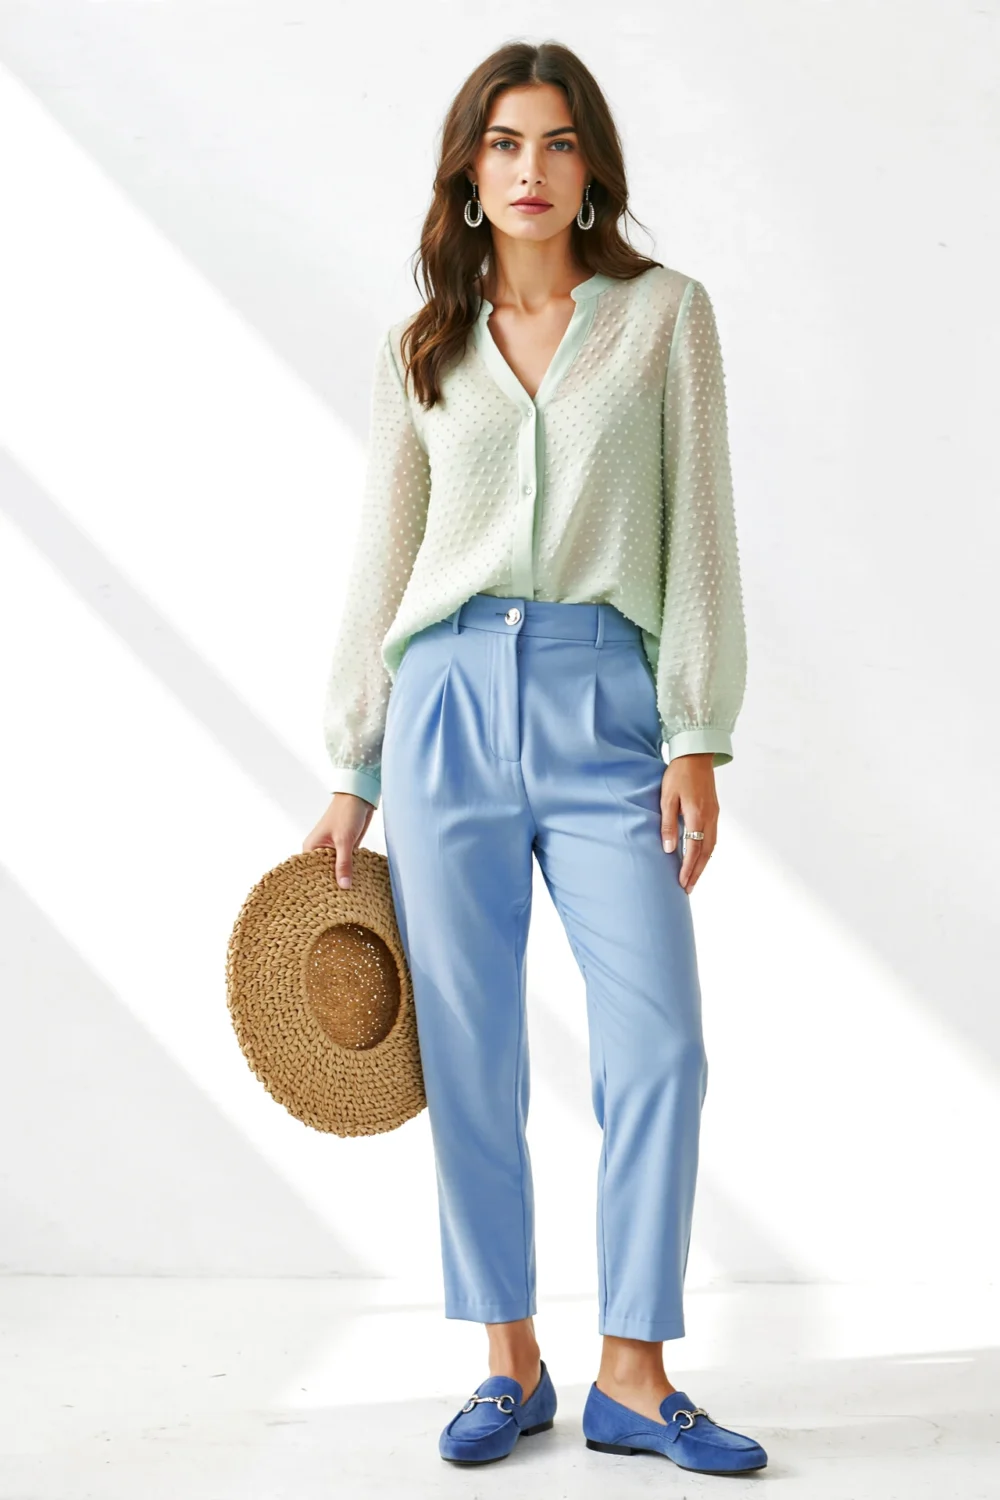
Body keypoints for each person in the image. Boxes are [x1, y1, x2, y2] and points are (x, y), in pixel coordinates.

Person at [303, 39, 767, 1476]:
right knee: (474, 1052)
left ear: (592, 171)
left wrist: (696, 732)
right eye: (504, 143)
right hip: (442, 705)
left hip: (601, 705)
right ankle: (510, 1360)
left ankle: (637, 1370)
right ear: (468, 170)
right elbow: (385, 553)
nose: (529, 169)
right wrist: (353, 762)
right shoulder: (418, 347)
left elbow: (700, 531)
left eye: (557, 143)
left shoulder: (662, 319)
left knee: (661, 1049)